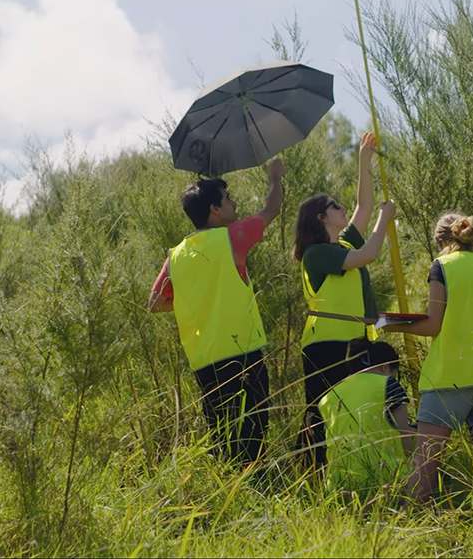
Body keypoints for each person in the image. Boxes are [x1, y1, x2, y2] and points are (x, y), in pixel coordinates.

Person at [148, 159, 285, 466]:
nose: (234, 203)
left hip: (204, 360)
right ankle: (256, 491)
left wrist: (194, 299)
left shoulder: (176, 255)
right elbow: (272, 209)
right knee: (253, 432)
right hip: (243, 351)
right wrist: (275, 178)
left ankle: (230, 494)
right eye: (228, 198)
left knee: (222, 434)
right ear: (215, 209)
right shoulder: (232, 236)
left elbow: (155, 303)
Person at [383, 213, 473, 502]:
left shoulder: (442, 265)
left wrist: (386, 323)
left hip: (450, 375)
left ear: (441, 242)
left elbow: (433, 325)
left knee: (425, 463)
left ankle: (412, 524)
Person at [292, 131, 396, 467]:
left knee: (356, 412)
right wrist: (385, 219)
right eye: (334, 206)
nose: (342, 209)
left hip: (355, 342)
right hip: (326, 344)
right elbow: (369, 254)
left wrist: (365, 159)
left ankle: (355, 471)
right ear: (321, 219)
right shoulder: (316, 255)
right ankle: (312, 475)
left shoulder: (344, 243)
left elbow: (364, 205)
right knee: (323, 414)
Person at [318, 339, 415, 493]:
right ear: (385, 367)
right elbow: (406, 437)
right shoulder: (388, 384)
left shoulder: (328, 397)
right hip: (387, 481)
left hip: (338, 487)